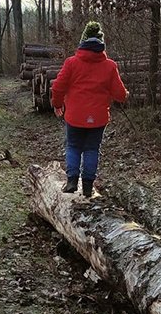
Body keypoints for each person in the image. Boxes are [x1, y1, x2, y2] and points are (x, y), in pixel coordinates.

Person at [51, 21, 128, 197]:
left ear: (82, 42)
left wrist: (57, 104)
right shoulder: (110, 66)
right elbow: (120, 94)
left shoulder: (71, 63)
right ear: (102, 45)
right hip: (98, 118)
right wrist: (126, 94)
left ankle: (72, 181)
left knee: (73, 146)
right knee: (92, 149)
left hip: (75, 116)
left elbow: (57, 87)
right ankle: (87, 187)